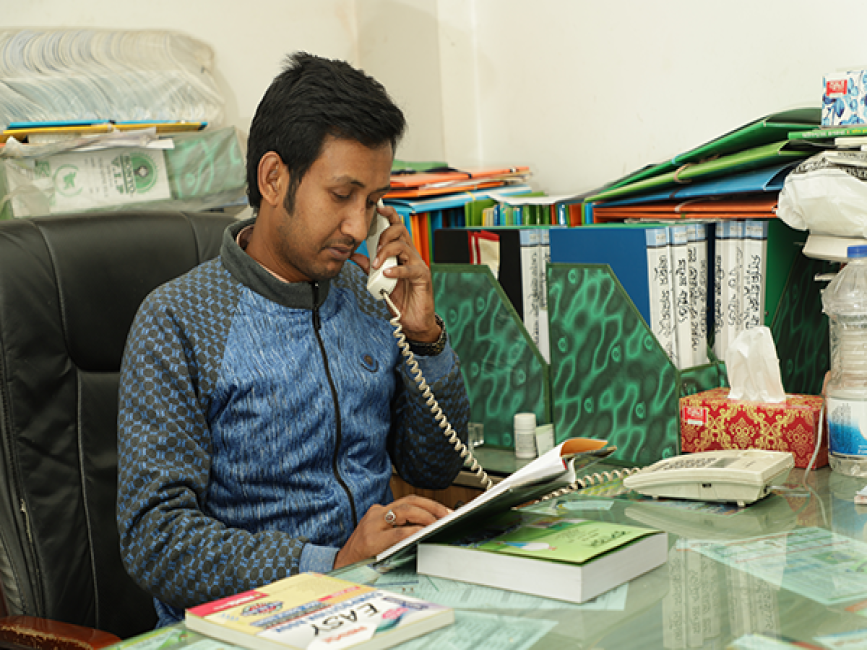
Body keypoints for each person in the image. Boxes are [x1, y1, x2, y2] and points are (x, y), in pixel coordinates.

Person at [116, 52, 470, 626]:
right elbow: (155, 538)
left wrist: (424, 339)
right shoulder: (176, 320)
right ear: (274, 178)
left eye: (372, 202)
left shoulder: (366, 295)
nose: (358, 227)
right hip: (246, 626)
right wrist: (330, 564)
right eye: (341, 195)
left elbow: (433, 466)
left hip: (379, 602)